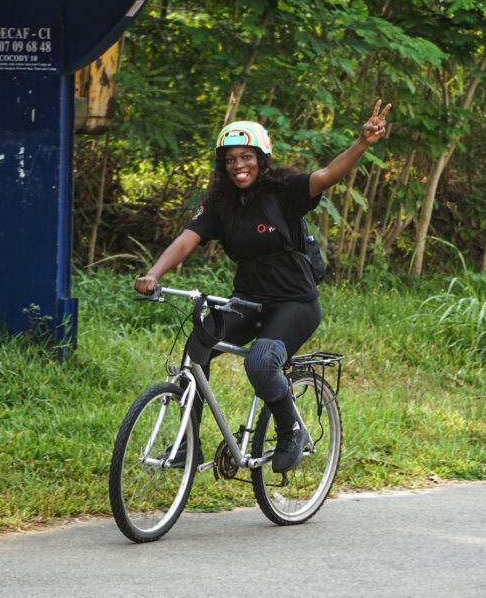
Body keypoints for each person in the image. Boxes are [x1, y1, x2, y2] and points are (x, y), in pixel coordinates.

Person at [135, 99, 391, 472]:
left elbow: (327, 175)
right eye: (230, 159)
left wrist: (362, 143)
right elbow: (186, 239)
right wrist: (154, 274)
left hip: (294, 303)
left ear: (261, 157)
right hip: (249, 302)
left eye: (246, 157)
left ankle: (290, 431)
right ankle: (188, 446)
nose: (239, 165)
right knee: (195, 351)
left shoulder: (284, 191)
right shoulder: (220, 204)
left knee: (260, 361)